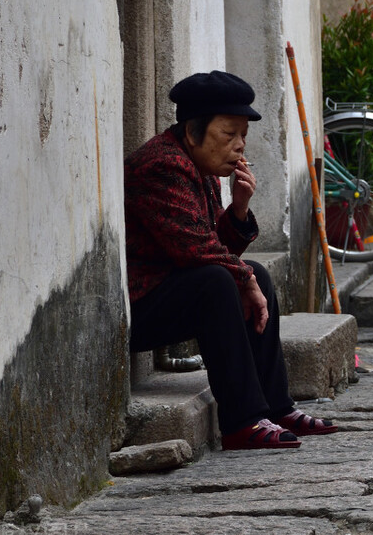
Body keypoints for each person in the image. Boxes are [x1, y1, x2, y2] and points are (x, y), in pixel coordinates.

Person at [125, 71, 338, 450]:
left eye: (244, 135)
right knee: (224, 280)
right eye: (229, 134)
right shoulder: (163, 165)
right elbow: (194, 250)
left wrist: (239, 210)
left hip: (172, 293)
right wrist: (242, 278)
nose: (240, 146)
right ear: (192, 132)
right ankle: (242, 421)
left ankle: (276, 407)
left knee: (252, 273)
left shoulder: (200, 167)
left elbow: (209, 247)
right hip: (140, 310)